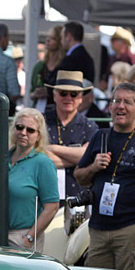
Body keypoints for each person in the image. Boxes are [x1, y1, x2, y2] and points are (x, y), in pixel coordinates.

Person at [74, 82, 135, 270]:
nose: (121, 106)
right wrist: (93, 167)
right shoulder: (99, 137)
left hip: (131, 230)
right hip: (98, 230)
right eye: (116, 101)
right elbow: (79, 177)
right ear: (110, 107)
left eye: (127, 102)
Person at [0, 108, 59, 251]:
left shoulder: (42, 163)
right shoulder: (0, 158)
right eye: (19, 127)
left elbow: (52, 207)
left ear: (39, 136)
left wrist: (29, 237)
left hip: (20, 237)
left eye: (30, 130)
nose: (23, 132)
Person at [43, 71, 99, 199]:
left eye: (73, 94)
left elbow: (89, 157)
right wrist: (76, 157)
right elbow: (36, 156)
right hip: (44, 196)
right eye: (63, 93)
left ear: (80, 98)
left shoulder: (90, 126)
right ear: (54, 96)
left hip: (77, 197)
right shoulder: (40, 122)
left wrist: (52, 148)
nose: (68, 98)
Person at [30, 25, 64, 110]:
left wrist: (49, 92)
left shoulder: (64, 65)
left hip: (58, 111)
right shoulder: (40, 66)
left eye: (53, 38)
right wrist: (36, 94)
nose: (47, 40)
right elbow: (31, 93)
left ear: (60, 42)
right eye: (48, 37)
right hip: (39, 110)